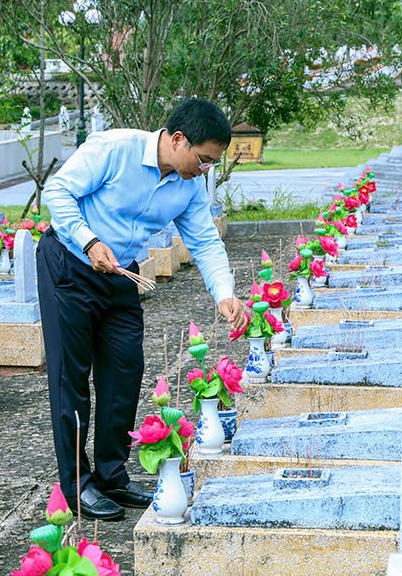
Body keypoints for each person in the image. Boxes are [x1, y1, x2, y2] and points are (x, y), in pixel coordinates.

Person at [37, 97, 249, 520]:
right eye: (203, 160)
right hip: (70, 262)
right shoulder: (115, 149)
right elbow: (57, 191)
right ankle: (77, 487)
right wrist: (88, 240)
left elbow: (204, 240)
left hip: (121, 274)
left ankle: (112, 474)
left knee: (125, 368)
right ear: (176, 139)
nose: (205, 169)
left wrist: (224, 293)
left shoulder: (188, 187)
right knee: (71, 378)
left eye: (211, 163)